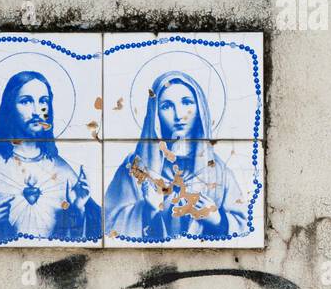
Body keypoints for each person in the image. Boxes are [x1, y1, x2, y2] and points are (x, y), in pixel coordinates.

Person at [0, 71, 101, 243]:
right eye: (26, 101)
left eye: (43, 101)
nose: (37, 111)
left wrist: (78, 209)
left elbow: (90, 237)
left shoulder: (63, 170)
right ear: (9, 108)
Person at [104, 71, 248, 241]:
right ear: (155, 114)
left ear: (200, 109)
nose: (179, 115)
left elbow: (244, 226)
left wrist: (218, 220)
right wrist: (147, 209)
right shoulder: (135, 166)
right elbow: (109, 223)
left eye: (187, 102)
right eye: (166, 106)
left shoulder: (217, 170)